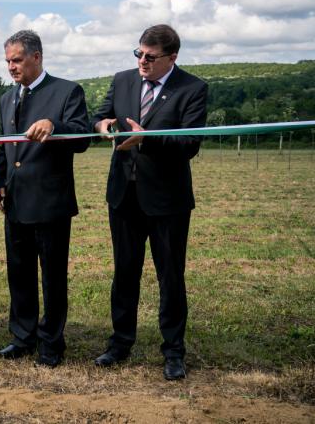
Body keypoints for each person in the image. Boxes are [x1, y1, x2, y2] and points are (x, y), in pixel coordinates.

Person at [91, 24, 207, 380]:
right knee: (124, 273)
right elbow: (100, 114)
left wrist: (148, 139)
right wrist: (103, 125)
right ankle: (119, 344)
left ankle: (173, 352)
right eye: (138, 53)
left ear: (172, 58)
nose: (142, 61)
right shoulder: (123, 79)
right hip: (123, 194)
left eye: (150, 57)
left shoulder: (193, 88)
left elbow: (190, 145)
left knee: (170, 277)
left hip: (167, 201)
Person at [0, 30, 90, 367]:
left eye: (17, 60)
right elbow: (5, 145)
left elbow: (82, 138)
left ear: (37, 57)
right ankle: (22, 337)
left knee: (52, 277)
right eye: (8, 61)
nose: (11, 67)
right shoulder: (7, 98)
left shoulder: (67, 92)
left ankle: (51, 343)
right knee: (18, 274)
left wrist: (55, 124)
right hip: (15, 201)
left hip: (50, 203)